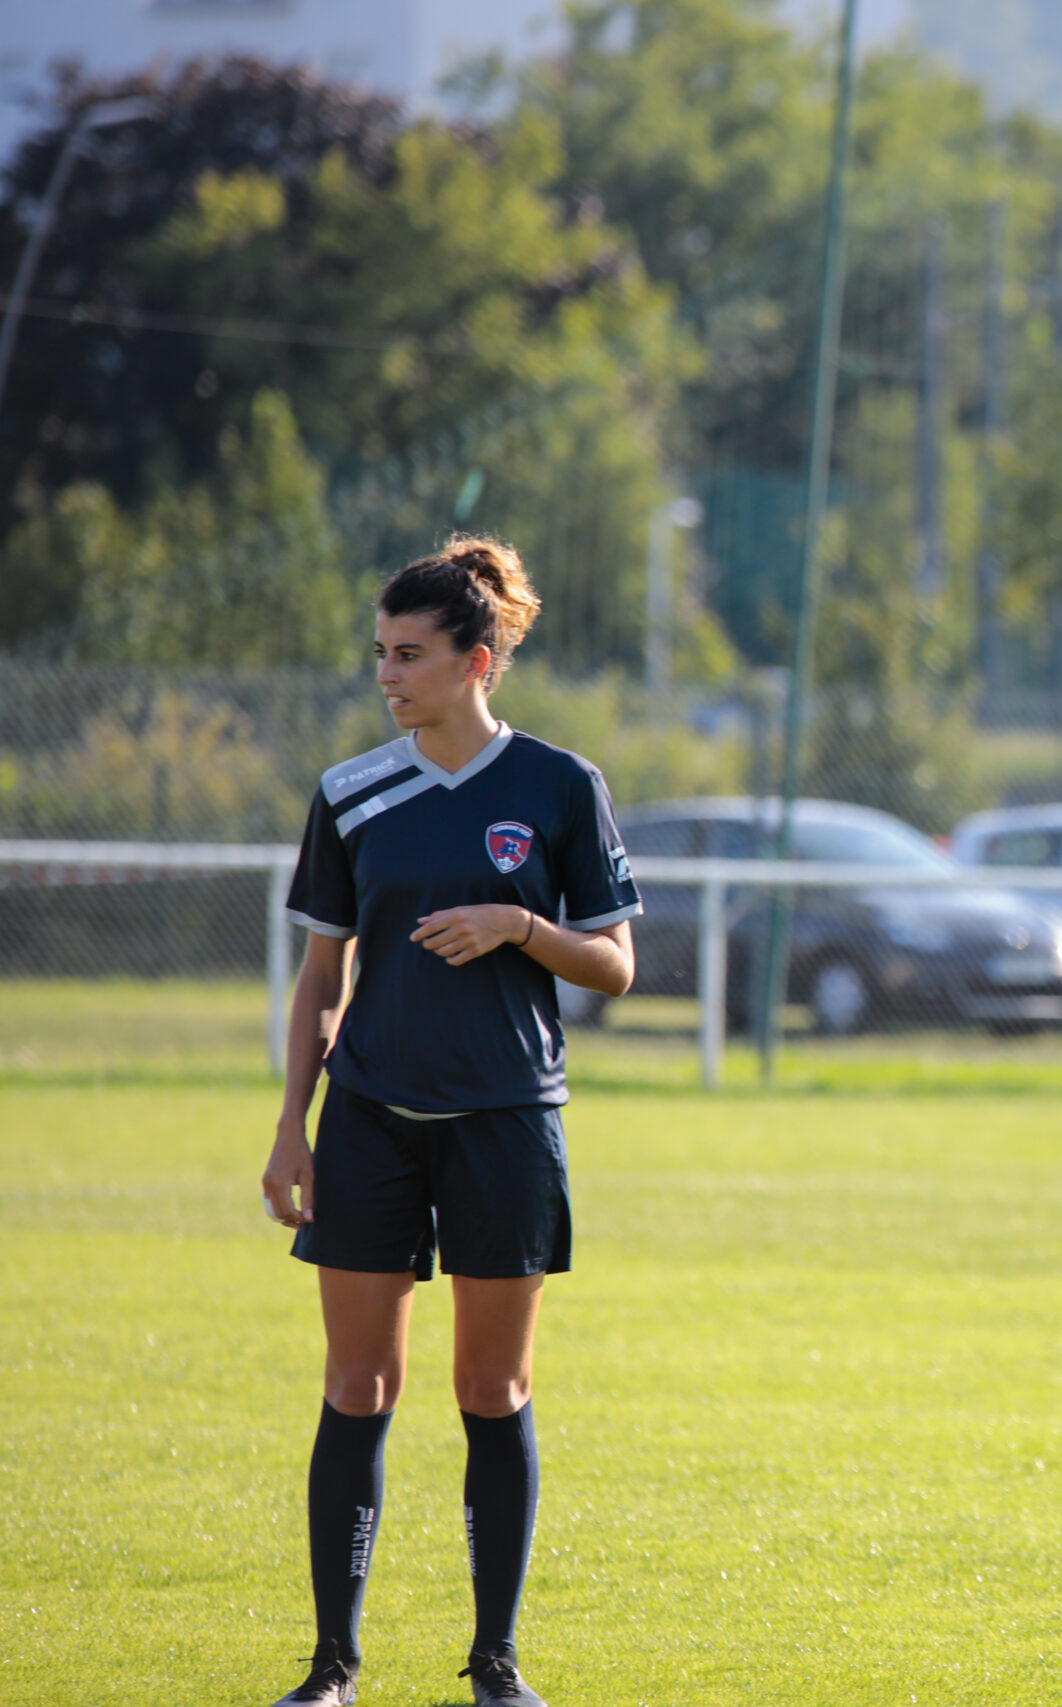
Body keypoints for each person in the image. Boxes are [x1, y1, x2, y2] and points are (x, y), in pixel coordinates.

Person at [257, 538, 641, 1707]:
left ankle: (495, 1664)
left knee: (493, 1391)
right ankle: (332, 1668)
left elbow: (617, 965)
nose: (388, 674)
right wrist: (291, 1128)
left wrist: (519, 926)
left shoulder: (560, 788)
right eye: (380, 653)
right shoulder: (350, 792)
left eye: (410, 655)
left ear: (479, 662)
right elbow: (321, 982)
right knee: (358, 1385)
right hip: (371, 1118)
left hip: (508, 1124)